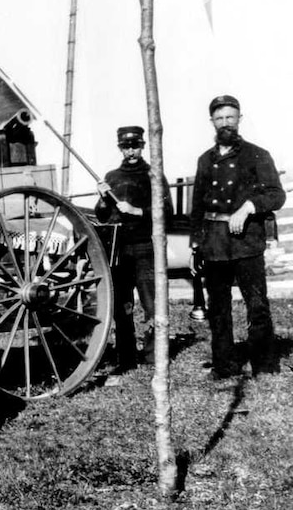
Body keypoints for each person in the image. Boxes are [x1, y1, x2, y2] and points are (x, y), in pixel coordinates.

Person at [189, 95, 286, 379]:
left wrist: (249, 206)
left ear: (240, 118)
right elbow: (197, 207)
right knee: (218, 308)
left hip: (247, 242)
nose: (225, 123)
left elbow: (276, 195)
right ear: (212, 122)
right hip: (215, 243)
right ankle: (224, 365)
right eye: (219, 118)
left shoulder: (257, 155)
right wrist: (196, 245)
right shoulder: (205, 160)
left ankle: (265, 366)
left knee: (257, 306)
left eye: (230, 117)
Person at [95, 125, 172, 372]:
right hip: (118, 249)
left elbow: (167, 214)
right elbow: (102, 216)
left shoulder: (155, 176)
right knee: (122, 305)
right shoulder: (112, 177)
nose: (131, 151)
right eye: (126, 147)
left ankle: (153, 355)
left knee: (152, 303)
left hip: (145, 248)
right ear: (120, 148)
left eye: (135, 146)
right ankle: (126, 357)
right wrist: (102, 198)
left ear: (143, 146)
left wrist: (138, 211)